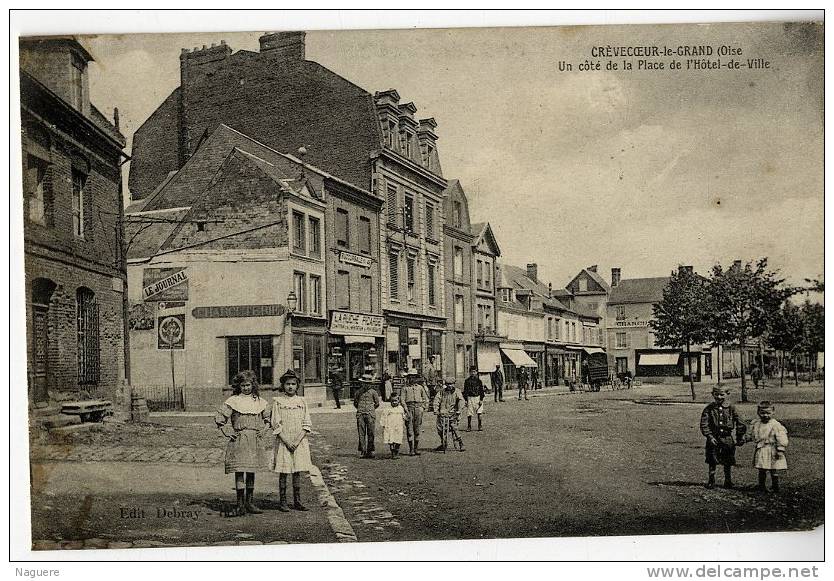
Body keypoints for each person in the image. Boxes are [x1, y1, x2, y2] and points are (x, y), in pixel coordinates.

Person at [214, 370, 271, 516]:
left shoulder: (258, 401)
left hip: (254, 440)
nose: (246, 388)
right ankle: (239, 504)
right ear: (238, 386)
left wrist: (264, 430)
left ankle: (249, 503)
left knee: (251, 471)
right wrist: (226, 430)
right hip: (239, 439)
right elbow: (220, 417)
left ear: (253, 385)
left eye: (248, 385)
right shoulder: (234, 400)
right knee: (240, 470)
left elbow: (268, 418)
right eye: (243, 385)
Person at [271, 369, 313, 512]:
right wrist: (287, 441)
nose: (290, 387)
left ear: (297, 385)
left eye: (293, 384)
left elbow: (306, 423)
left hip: (298, 441)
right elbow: (276, 425)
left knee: (297, 471)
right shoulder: (278, 402)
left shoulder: (302, 401)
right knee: (284, 471)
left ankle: (297, 501)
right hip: (284, 441)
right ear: (283, 385)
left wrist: (297, 440)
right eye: (287, 384)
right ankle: (283, 501)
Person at [699, 386, 747, 489]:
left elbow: (740, 422)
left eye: (722, 394)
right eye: (716, 394)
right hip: (714, 438)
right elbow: (704, 424)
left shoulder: (731, 408)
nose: (719, 397)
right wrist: (709, 436)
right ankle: (711, 480)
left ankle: (728, 480)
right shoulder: (709, 408)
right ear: (713, 394)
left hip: (727, 438)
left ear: (727, 394)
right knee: (712, 459)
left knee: (728, 460)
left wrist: (740, 436)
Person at [744, 401, 789, 493]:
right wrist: (746, 438)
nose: (765, 415)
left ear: (773, 412)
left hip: (772, 449)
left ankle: (775, 486)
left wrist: (780, 449)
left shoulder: (775, 425)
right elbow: (752, 433)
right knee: (762, 468)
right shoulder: (756, 423)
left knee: (773, 468)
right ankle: (761, 486)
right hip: (762, 449)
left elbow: (781, 437)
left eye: (768, 413)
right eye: (762, 413)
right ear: (758, 412)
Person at [401, 367, 430, 456]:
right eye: (410, 377)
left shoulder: (420, 387)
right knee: (409, 430)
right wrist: (406, 409)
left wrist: (423, 408)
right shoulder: (405, 388)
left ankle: (416, 449)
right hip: (409, 409)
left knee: (417, 429)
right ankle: (411, 449)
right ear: (408, 378)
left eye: (414, 377)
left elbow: (426, 398)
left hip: (418, 409)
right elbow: (402, 400)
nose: (412, 379)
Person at [433, 377, 465, 452]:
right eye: (448, 384)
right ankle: (443, 443)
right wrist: (436, 410)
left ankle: (461, 443)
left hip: (452, 413)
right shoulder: (441, 392)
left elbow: (461, 401)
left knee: (454, 428)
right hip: (442, 413)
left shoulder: (457, 391)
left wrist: (459, 410)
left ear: (454, 384)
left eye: (451, 384)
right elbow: (436, 400)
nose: (449, 386)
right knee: (439, 428)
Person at [353, 373, 381, 458]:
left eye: (368, 384)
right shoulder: (358, 392)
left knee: (371, 432)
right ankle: (362, 450)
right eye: (364, 383)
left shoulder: (373, 392)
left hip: (370, 414)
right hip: (361, 414)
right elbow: (355, 403)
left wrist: (370, 409)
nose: (366, 385)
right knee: (361, 433)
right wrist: (361, 409)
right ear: (362, 383)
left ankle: (370, 450)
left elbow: (377, 403)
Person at [379, 393, 409, 459]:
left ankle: (396, 450)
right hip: (390, 426)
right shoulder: (387, 409)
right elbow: (383, 417)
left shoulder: (401, 408)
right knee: (391, 439)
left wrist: (406, 417)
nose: (394, 402)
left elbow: (403, 416)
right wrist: (383, 425)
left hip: (398, 426)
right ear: (390, 401)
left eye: (396, 401)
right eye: (392, 401)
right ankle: (393, 452)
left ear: (399, 401)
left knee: (398, 439)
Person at [463, 365, 486, 431]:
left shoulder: (479, 381)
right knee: (469, 413)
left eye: (474, 372)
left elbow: (481, 391)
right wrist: (466, 400)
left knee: (479, 412)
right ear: (469, 372)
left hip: (477, 398)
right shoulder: (467, 381)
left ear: (476, 372)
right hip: (470, 398)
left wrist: (481, 399)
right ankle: (469, 426)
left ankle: (480, 425)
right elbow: (465, 391)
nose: (473, 373)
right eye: (471, 372)